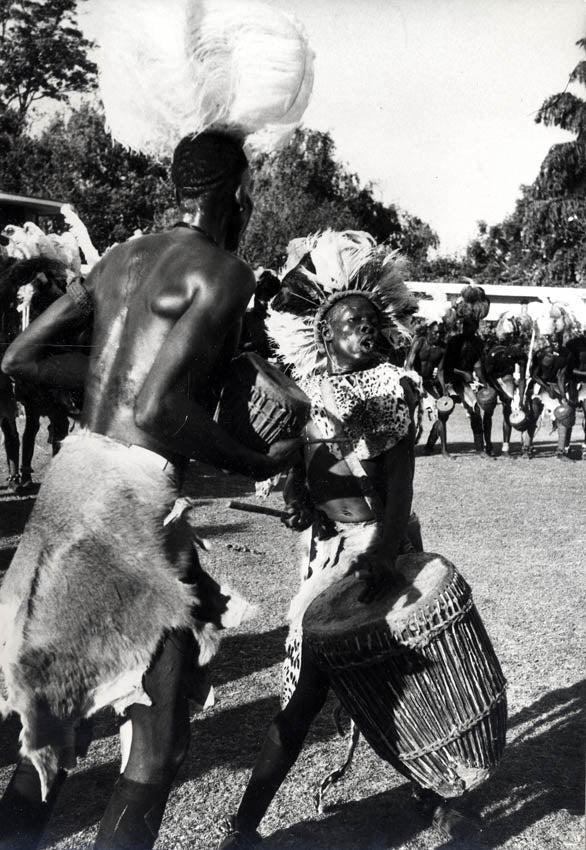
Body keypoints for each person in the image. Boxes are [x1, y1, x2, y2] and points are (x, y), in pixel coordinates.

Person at [0, 131, 301, 850]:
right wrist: (255, 463)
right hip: (129, 498)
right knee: (157, 744)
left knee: (54, 719)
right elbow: (164, 409)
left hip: (73, 481)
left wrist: (111, 385)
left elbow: (22, 357)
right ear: (234, 192)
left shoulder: (116, 260)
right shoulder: (225, 273)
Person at [218, 232, 480, 850]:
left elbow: (399, 487)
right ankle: (246, 826)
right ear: (325, 335)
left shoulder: (391, 386)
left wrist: (382, 557)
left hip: (372, 550)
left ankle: (249, 826)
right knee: (322, 687)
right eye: (351, 322)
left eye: (370, 320)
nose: (366, 328)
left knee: (372, 683)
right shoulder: (308, 396)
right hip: (328, 551)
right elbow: (311, 470)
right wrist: (302, 504)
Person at [483, 311, 530, 458]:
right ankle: (487, 445)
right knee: (488, 409)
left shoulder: (519, 354)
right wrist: (497, 389)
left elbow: (522, 379)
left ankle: (505, 448)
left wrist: (520, 397)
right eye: (509, 337)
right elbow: (487, 374)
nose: (512, 340)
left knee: (508, 410)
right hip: (491, 380)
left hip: (507, 379)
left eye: (513, 337)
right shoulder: (494, 353)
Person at [405, 320, 450, 457]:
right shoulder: (419, 341)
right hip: (412, 380)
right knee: (409, 417)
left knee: (442, 413)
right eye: (435, 332)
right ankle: (407, 448)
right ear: (429, 331)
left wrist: (444, 390)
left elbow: (441, 372)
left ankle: (440, 448)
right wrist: (415, 383)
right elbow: (409, 365)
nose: (438, 335)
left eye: (440, 333)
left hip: (428, 383)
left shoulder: (442, 348)